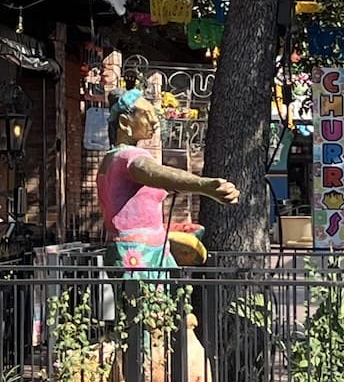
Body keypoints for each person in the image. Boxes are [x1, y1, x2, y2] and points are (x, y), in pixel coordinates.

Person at [96, 87, 239, 274]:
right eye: (146, 115)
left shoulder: (111, 159)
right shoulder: (129, 157)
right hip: (139, 256)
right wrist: (204, 186)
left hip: (140, 250)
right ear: (124, 122)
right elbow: (159, 174)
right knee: (146, 301)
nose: (154, 121)